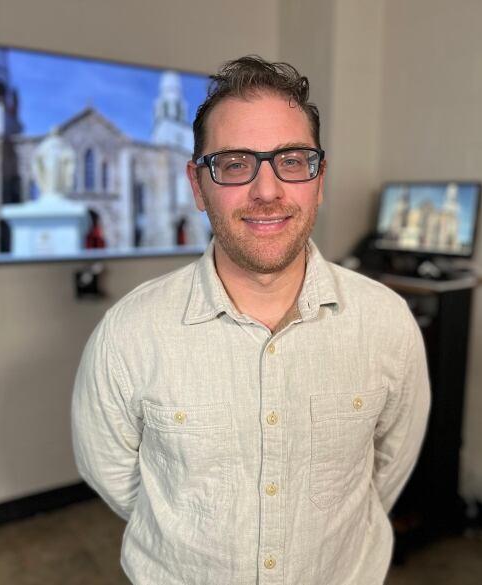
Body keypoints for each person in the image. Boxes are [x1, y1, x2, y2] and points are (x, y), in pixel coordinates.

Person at [71, 55, 430, 585]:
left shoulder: (386, 322)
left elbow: (388, 468)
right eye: (235, 163)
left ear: (319, 179)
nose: (267, 191)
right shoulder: (128, 334)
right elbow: (116, 478)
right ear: (198, 186)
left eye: (292, 159)